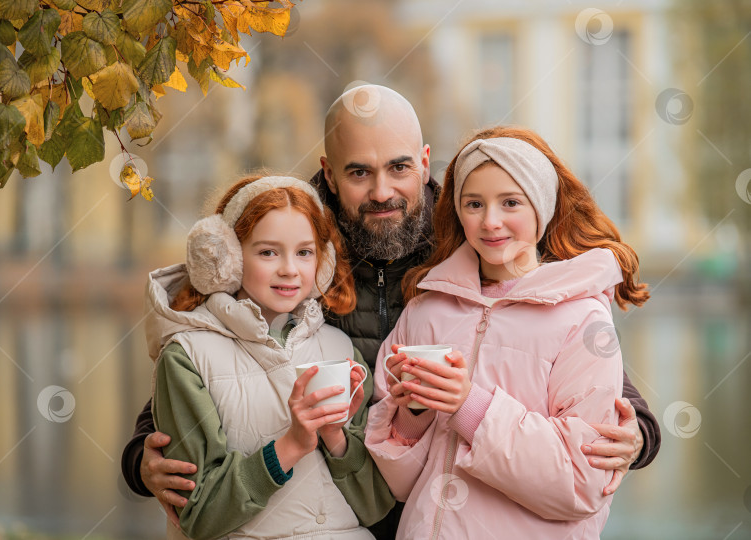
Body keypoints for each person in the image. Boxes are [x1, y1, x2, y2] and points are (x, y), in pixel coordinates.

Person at [121, 86, 661, 536]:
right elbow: (214, 344)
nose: (383, 191)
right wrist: (145, 452)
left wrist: (635, 425)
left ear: (423, 162)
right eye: (359, 173)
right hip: (326, 514)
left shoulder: (472, 235)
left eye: (399, 168)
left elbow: (560, 322)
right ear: (329, 174)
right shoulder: (295, 244)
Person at [364, 126, 650, 539]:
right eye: (474, 203)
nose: (490, 221)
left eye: (511, 202)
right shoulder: (425, 309)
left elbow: (581, 483)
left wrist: (470, 407)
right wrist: (412, 417)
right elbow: (400, 484)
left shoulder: (583, 320)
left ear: (542, 207)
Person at [146, 175, 395, 539]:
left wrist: (335, 438)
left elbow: (374, 506)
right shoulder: (187, 356)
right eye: (268, 252)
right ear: (227, 257)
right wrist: (291, 445)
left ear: (321, 262)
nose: (289, 269)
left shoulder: (341, 349)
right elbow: (198, 516)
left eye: (304, 252)